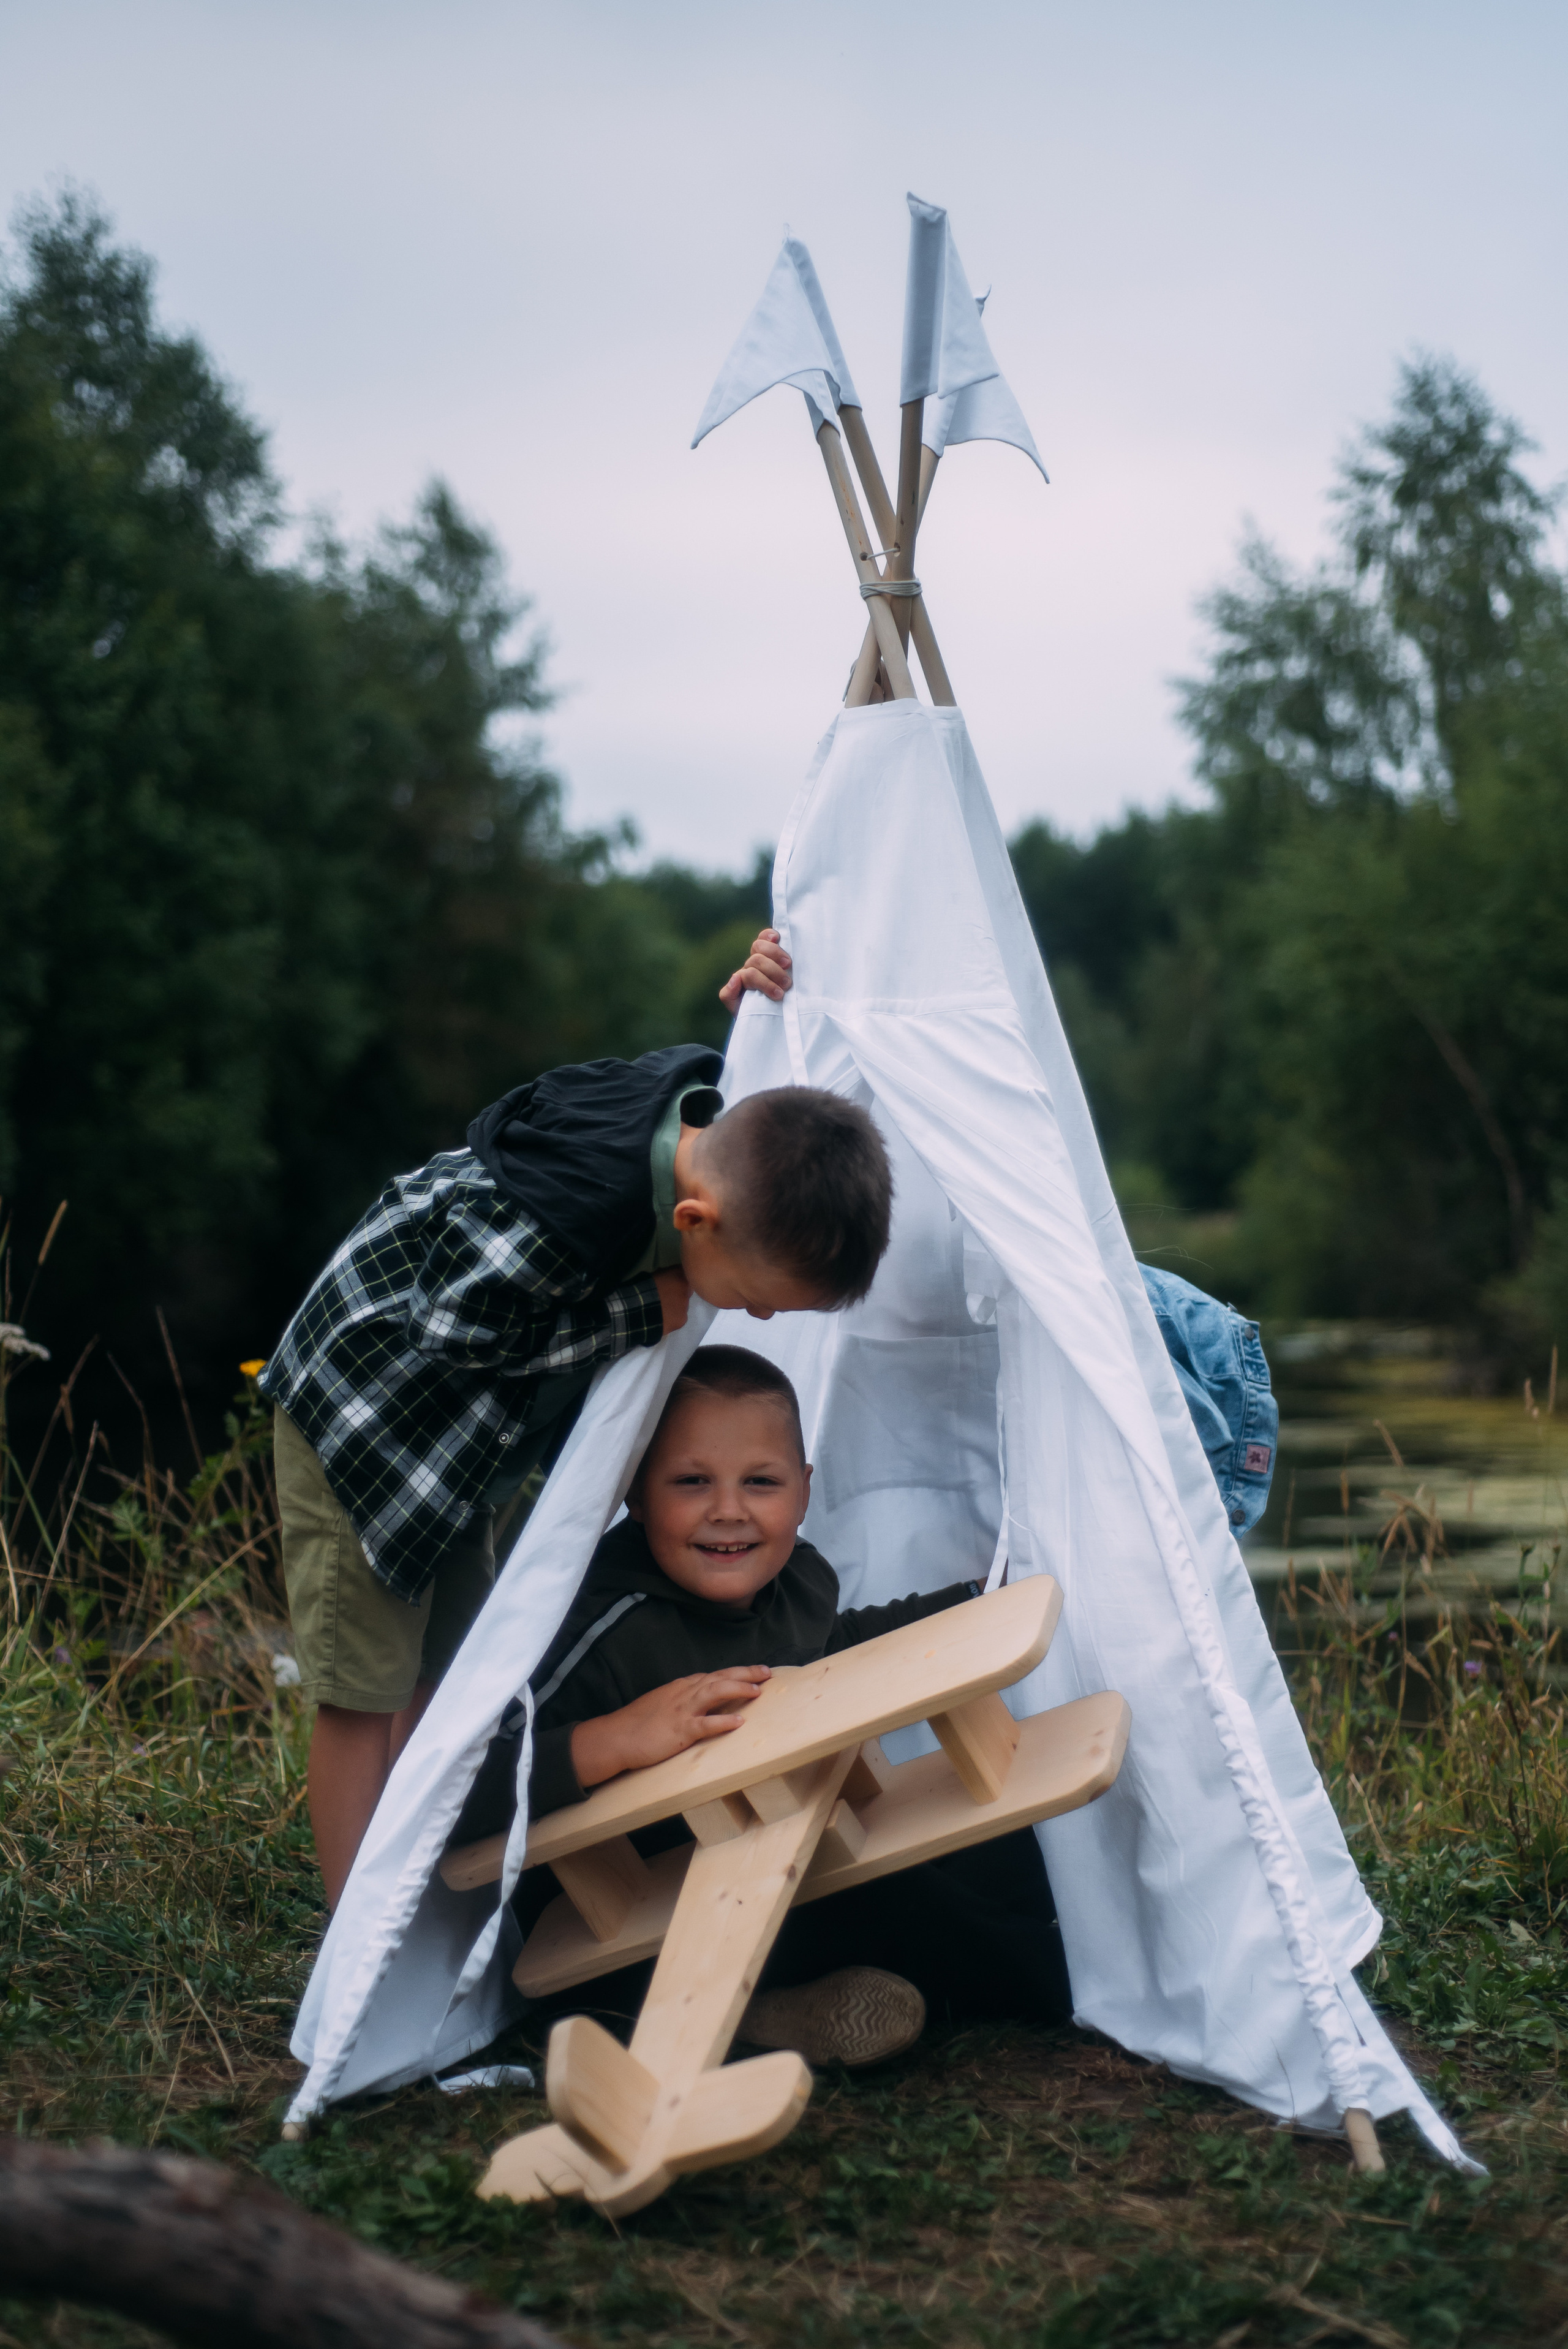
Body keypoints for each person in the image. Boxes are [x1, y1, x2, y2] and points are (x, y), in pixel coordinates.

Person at [260, 929, 903, 1907]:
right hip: (366, 1428)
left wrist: (759, 1021)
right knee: (367, 1693)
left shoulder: (704, 1124)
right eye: (760, 1297)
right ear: (693, 1227)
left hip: (456, 1447)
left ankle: (422, 1894)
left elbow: (751, 1130)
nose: (757, 1318)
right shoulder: (570, 1213)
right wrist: (634, 1312)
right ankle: (359, 1936)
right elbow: (449, 1323)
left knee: (456, 1668)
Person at [456, 1344, 1072, 2068]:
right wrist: (617, 1738)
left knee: (994, 1839)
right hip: (630, 1925)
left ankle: (790, 2009)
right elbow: (463, 1794)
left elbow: (829, 1649)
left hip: (770, 1852)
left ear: (804, 1490)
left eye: (760, 1482)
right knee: (902, 1900)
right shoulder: (603, 1625)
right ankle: (1057, 1990)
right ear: (635, 1492)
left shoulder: (799, 1579)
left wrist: (963, 1607)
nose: (728, 1511)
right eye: (690, 1482)